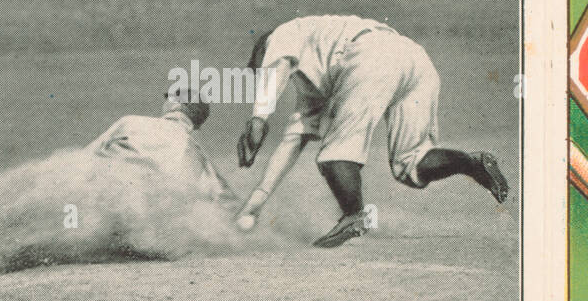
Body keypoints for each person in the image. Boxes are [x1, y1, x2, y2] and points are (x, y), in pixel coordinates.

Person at [235, 14, 508, 248]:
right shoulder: (314, 82)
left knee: (335, 155)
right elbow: (291, 142)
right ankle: (473, 163)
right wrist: (254, 206)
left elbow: (277, 65)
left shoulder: (282, 34)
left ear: (262, 50)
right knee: (410, 164)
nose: (260, 71)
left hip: (372, 54)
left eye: (258, 65)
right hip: (414, 58)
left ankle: (354, 216)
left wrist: (259, 118)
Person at [84, 90, 235, 205]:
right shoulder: (198, 155)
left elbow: (85, 156)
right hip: (156, 210)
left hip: (112, 195)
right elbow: (223, 198)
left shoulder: (130, 122)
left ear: (176, 105)